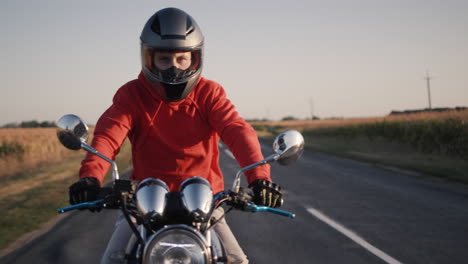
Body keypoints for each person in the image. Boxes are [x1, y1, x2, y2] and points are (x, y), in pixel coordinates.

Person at [68, 7, 282, 264]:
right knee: (113, 259)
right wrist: (91, 178)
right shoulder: (131, 95)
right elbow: (108, 137)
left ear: (195, 58)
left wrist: (259, 179)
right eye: (164, 59)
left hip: (204, 203)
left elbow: (237, 132)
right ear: (149, 58)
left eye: (182, 59)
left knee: (237, 260)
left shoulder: (209, 93)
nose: (173, 68)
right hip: (144, 202)